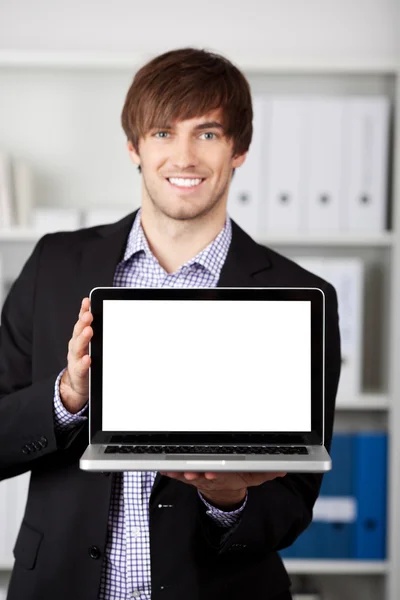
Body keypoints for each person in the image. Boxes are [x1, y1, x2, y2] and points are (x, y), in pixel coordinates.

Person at [0, 48, 341, 600]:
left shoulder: (303, 298)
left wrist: (228, 498)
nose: (184, 157)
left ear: (239, 150)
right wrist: (68, 396)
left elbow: (292, 504)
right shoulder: (54, 265)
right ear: (134, 146)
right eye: (163, 133)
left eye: (207, 134)